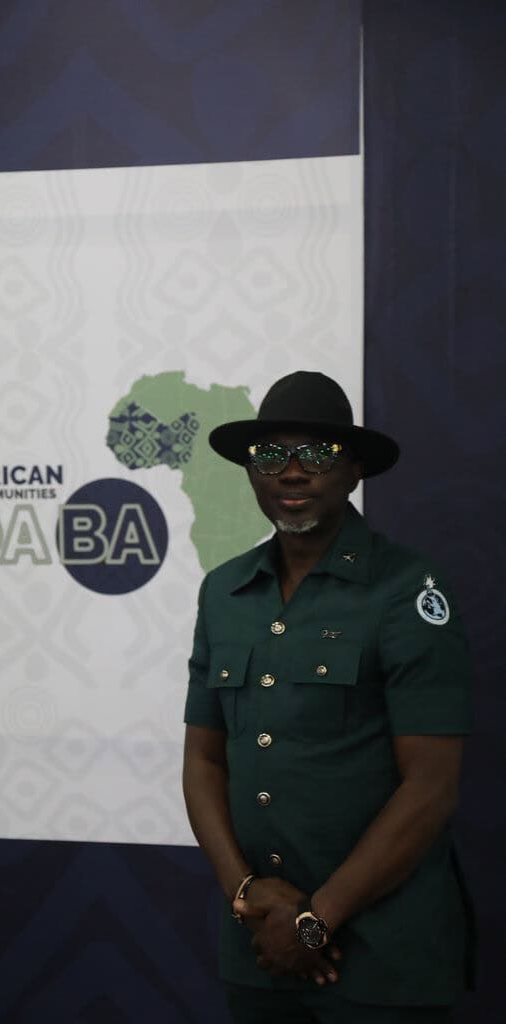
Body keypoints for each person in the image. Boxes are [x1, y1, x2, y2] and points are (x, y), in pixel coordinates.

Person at [182, 371, 473, 1023]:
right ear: (250, 471)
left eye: (316, 453)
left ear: (353, 469)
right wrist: (246, 894)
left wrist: (313, 923)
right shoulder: (223, 592)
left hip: (383, 956)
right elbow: (202, 760)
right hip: (259, 947)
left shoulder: (407, 589)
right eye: (270, 455)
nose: (291, 472)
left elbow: (431, 788)